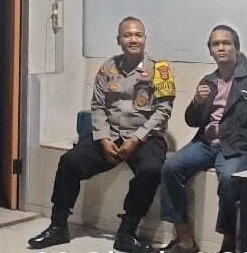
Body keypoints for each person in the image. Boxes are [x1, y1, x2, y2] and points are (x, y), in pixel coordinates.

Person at [28, 16, 175, 253]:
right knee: (69, 161)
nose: (133, 39)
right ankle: (58, 226)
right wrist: (104, 139)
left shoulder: (161, 69)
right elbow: (97, 106)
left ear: (145, 39)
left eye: (138, 35)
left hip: (146, 137)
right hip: (111, 134)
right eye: (127, 35)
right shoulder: (108, 67)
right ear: (119, 40)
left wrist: (136, 139)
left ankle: (127, 233)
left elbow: (163, 111)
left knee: (151, 171)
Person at [160, 25, 247, 253]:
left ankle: (228, 243)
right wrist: (196, 102)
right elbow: (192, 121)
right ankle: (184, 239)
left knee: (230, 179)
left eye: (226, 43)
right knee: (170, 167)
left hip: (238, 147)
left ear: (236, 48)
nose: (221, 47)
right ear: (210, 51)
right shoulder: (209, 81)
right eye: (216, 44)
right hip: (206, 144)